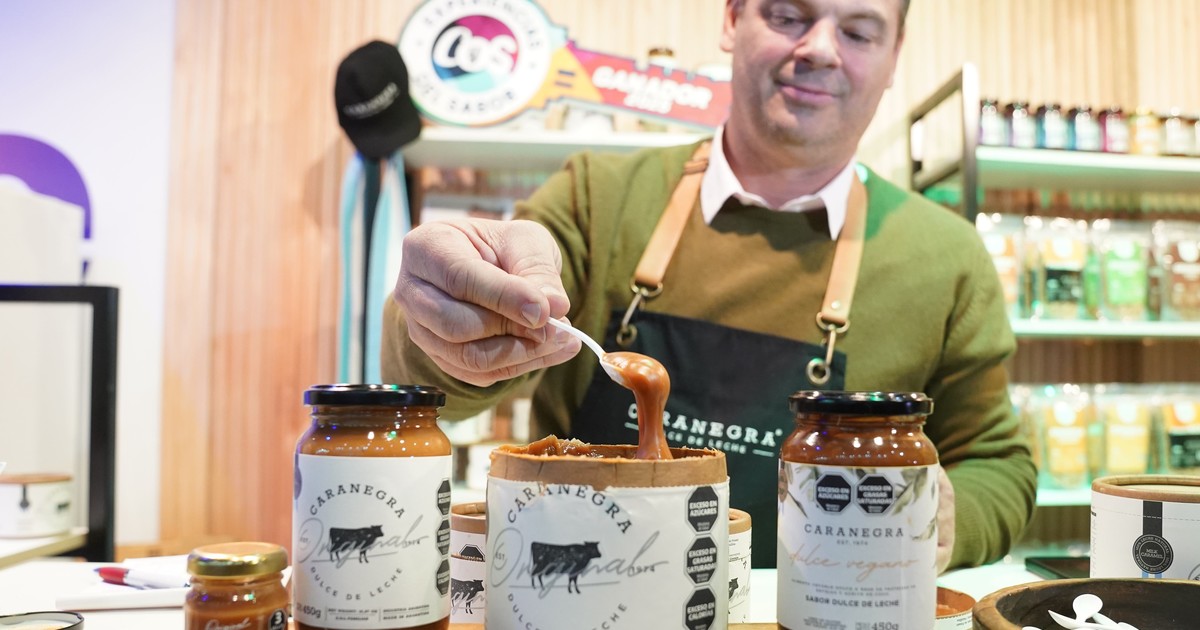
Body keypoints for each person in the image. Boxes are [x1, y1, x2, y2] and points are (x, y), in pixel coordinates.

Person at [384, 0, 1036, 570]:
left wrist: (944, 518)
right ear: (732, 18)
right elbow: (432, 387)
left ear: (894, 58)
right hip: (582, 595)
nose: (819, 49)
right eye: (788, 15)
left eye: (859, 32)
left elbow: (998, 464)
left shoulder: (947, 257)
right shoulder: (597, 198)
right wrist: (451, 319)